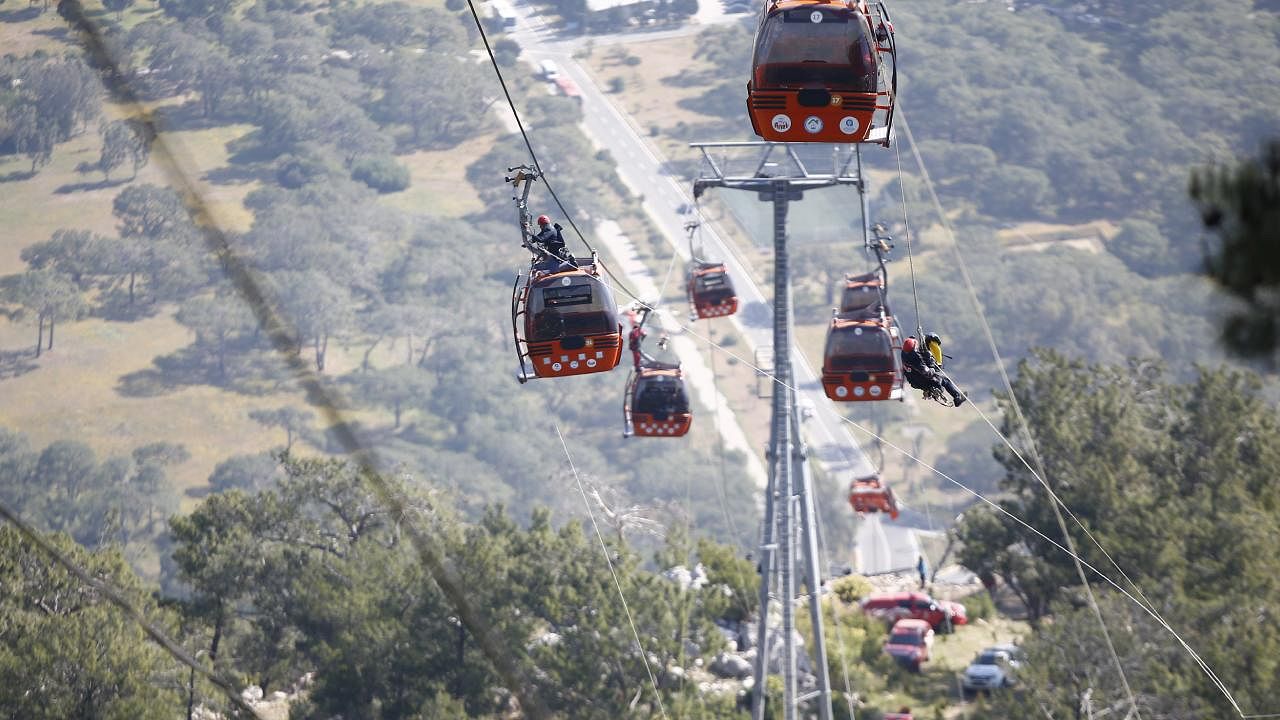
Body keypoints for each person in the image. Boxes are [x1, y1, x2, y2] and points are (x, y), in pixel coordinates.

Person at [901, 336, 965, 407]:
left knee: (932, 384)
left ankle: (931, 390)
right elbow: (928, 373)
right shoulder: (917, 360)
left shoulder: (904, 354)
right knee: (945, 381)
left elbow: (911, 349)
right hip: (924, 380)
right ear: (914, 349)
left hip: (915, 382)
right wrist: (931, 364)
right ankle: (957, 398)